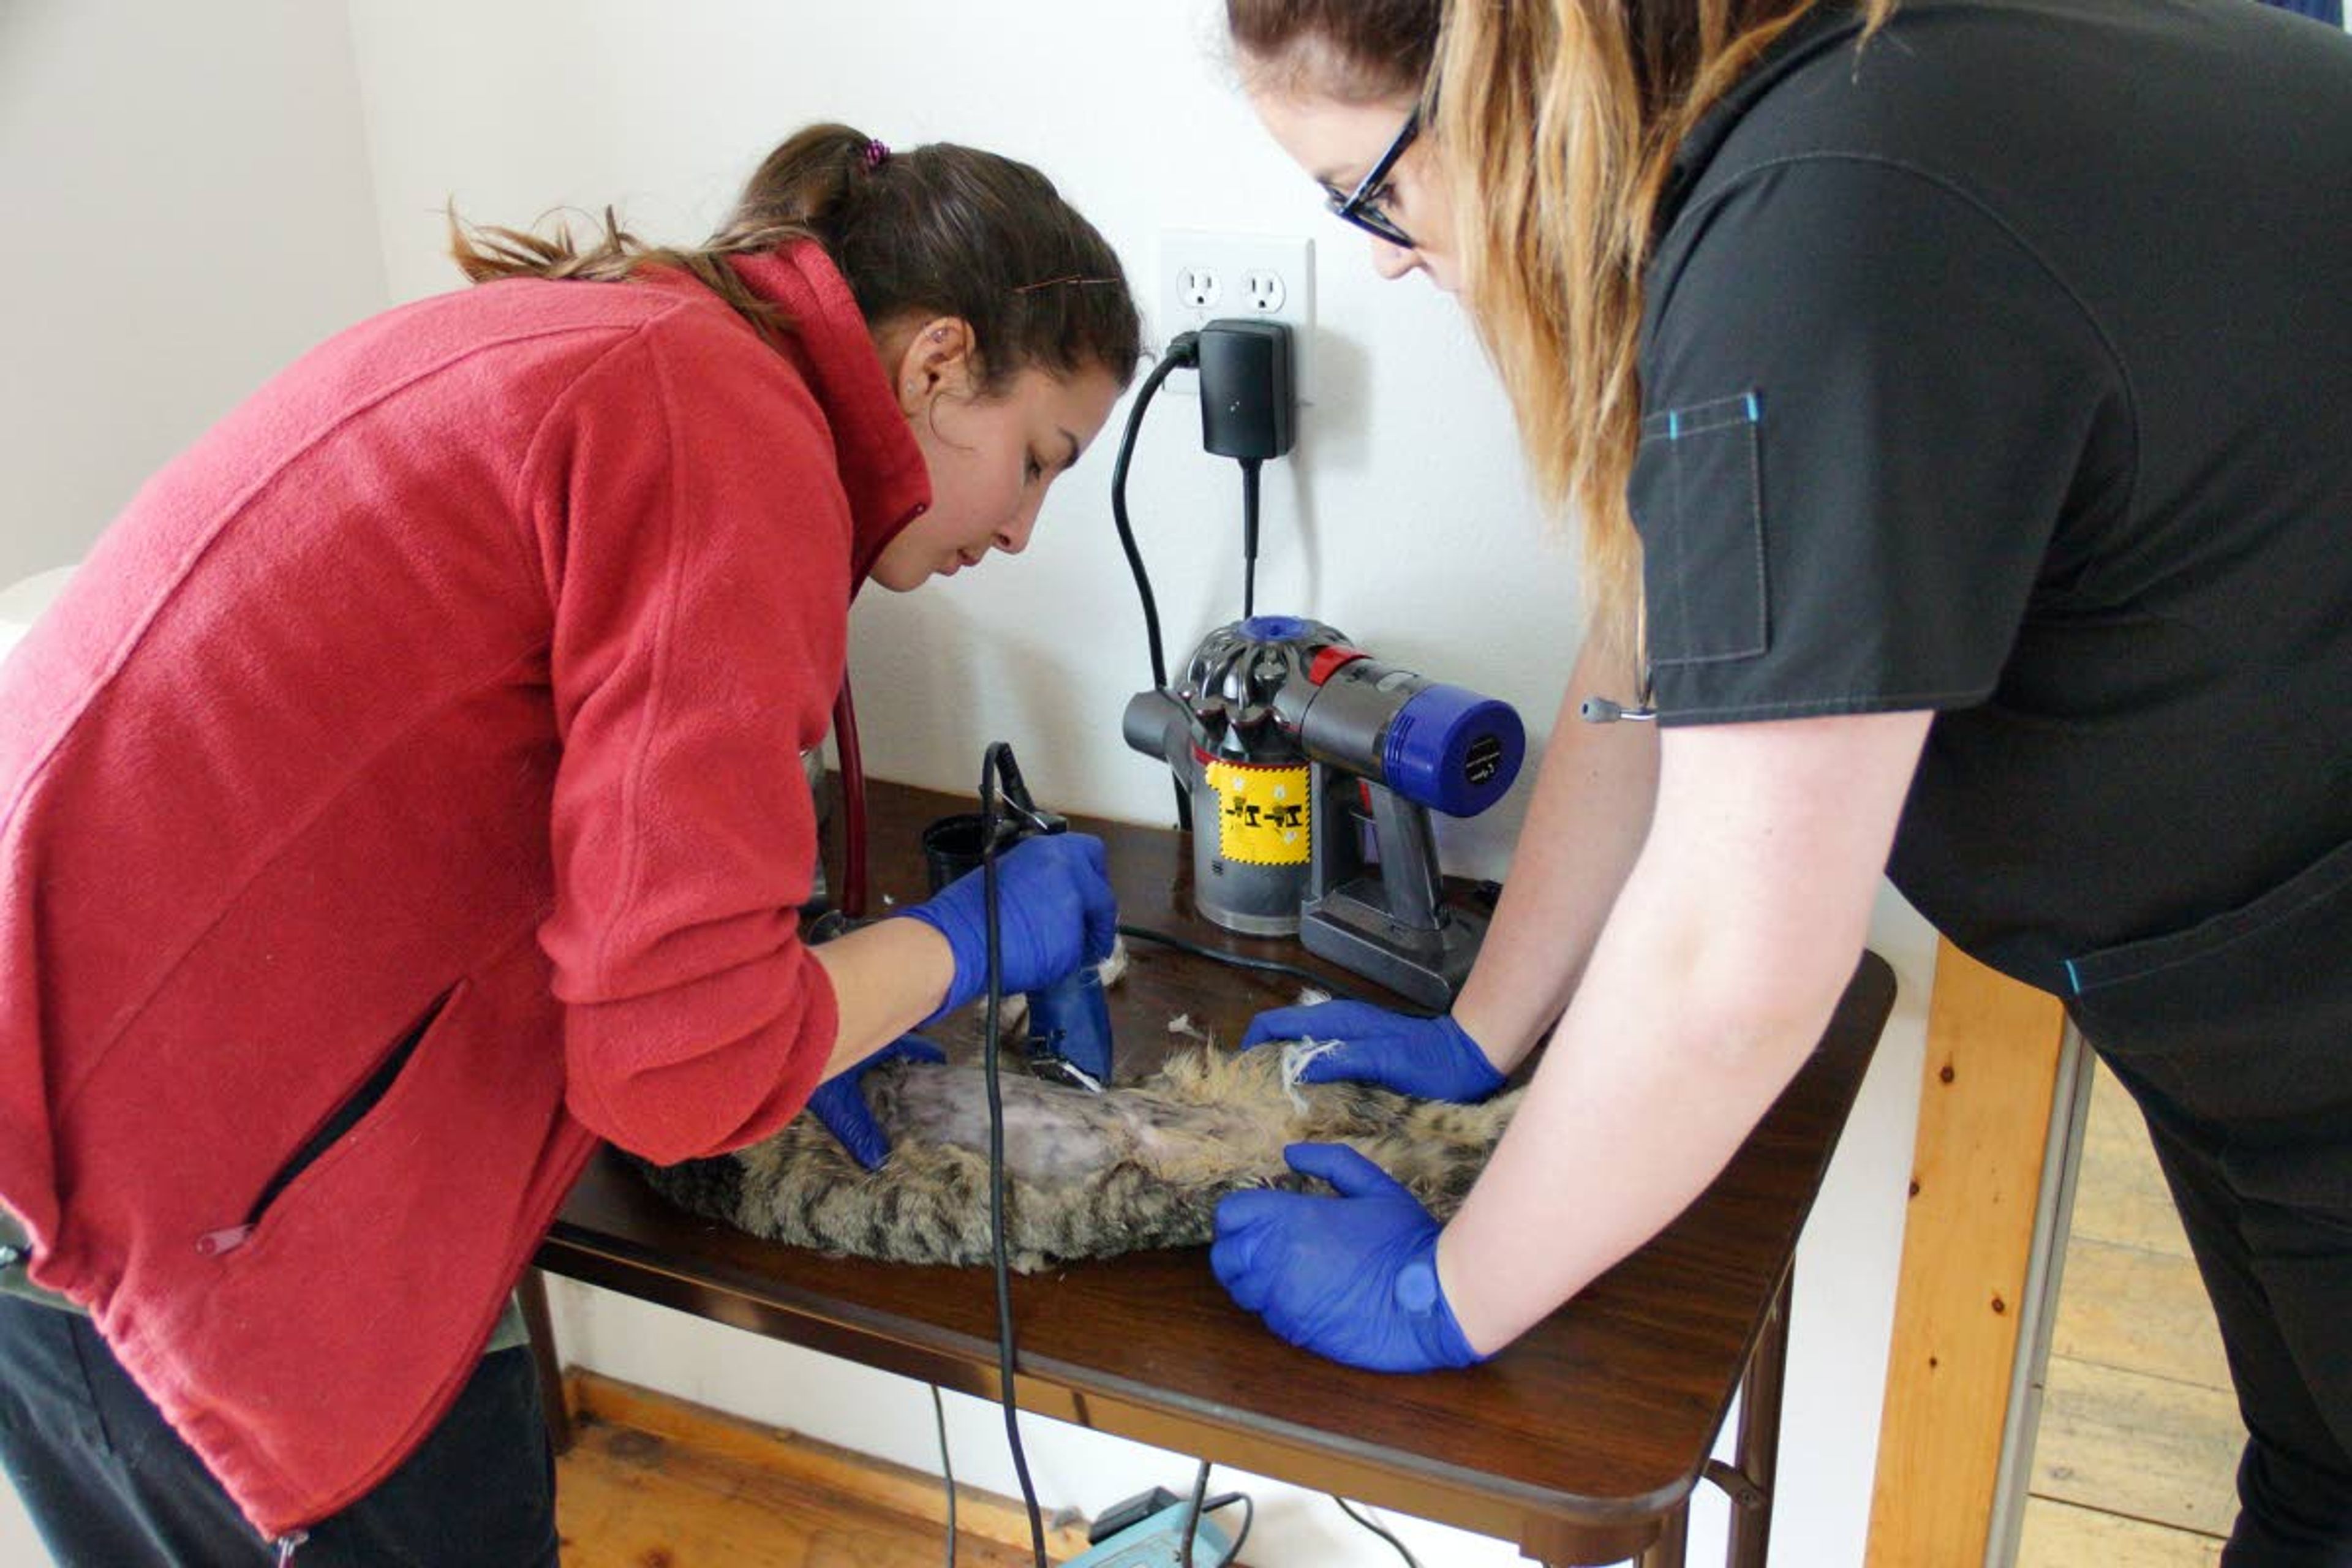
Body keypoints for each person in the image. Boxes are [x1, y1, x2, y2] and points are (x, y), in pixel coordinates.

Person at [1205, 0, 2352, 1559]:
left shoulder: (1823, 222)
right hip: (2242, 979)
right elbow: (1648, 656)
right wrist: (1485, 1027)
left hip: (2306, 986)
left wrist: (1448, 1291)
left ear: (1509, 77)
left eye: (1373, 192)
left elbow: (1735, 963)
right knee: (2317, 1478)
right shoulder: (1806, 120)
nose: (1385, 255)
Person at [0, 122, 1137, 1564]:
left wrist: (819, 1003)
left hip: (54, 1124)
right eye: (1039, 459)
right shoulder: (727, 430)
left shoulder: (623, 340)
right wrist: (967, 940)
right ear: (933, 362)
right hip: (170, 1194)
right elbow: (678, 1069)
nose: (1031, 529)